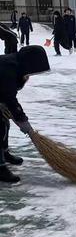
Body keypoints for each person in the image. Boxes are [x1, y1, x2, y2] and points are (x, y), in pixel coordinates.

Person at [0, 46, 50, 183]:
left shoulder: (16, 65)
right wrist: (22, 120)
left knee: (4, 122)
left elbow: (8, 92)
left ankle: (3, 153)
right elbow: (10, 97)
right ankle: (0, 168)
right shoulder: (8, 67)